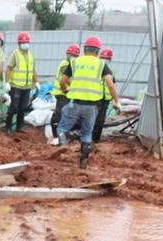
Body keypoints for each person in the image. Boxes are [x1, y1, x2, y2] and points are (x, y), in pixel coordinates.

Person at [58, 36, 119, 169]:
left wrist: (65, 89)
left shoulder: (74, 62)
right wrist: (117, 101)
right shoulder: (102, 65)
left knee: (62, 128)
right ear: (98, 51)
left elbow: (62, 81)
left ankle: (67, 138)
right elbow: (110, 85)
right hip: (92, 106)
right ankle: (83, 160)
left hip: (74, 103)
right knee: (87, 133)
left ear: (85, 49)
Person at [4, 32, 37, 135]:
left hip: (27, 87)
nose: (25, 44)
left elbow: (33, 69)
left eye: (27, 42)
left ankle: (19, 127)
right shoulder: (15, 54)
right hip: (16, 86)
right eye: (23, 42)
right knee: (13, 107)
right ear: (19, 43)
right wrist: (7, 82)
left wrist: (36, 82)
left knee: (23, 108)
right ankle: (8, 127)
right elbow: (9, 68)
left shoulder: (31, 55)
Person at [48, 43, 79, 140]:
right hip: (62, 93)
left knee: (63, 113)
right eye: (72, 55)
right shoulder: (66, 64)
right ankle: (56, 136)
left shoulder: (70, 64)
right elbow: (66, 80)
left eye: (75, 56)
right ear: (68, 54)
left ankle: (58, 134)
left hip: (64, 92)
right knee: (60, 114)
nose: (73, 57)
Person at [92, 48, 119, 144]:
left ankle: (95, 140)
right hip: (96, 98)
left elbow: (112, 85)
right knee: (92, 119)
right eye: (103, 57)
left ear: (110, 59)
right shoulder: (97, 68)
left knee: (100, 121)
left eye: (107, 58)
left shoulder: (111, 71)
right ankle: (90, 139)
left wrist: (113, 97)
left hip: (105, 99)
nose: (105, 60)